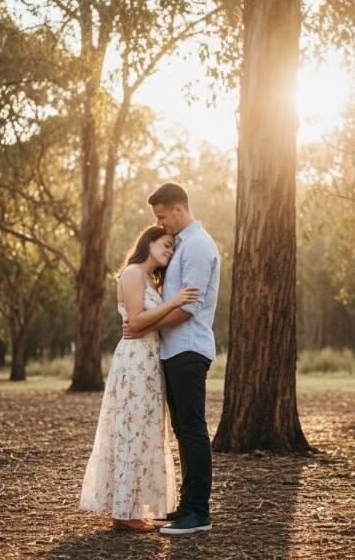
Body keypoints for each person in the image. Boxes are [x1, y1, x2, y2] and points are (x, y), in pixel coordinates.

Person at [79, 225, 199, 532]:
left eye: (173, 248)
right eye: (166, 244)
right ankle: (123, 512)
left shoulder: (150, 279)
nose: (170, 251)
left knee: (143, 432)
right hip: (134, 361)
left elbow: (146, 322)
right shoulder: (133, 273)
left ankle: (130, 507)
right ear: (149, 241)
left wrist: (156, 317)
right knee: (130, 430)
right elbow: (135, 320)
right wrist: (173, 302)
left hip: (149, 362)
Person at [123, 182, 221, 535]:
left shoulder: (197, 246)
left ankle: (199, 513)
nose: (161, 224)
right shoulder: (182, 246)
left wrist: (146, 328)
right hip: (174, 350)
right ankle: (187, 506)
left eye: (162, 217)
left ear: (178, 210)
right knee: (183, 430)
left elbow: (188, 309)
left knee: (193, 430)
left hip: (189, 349)